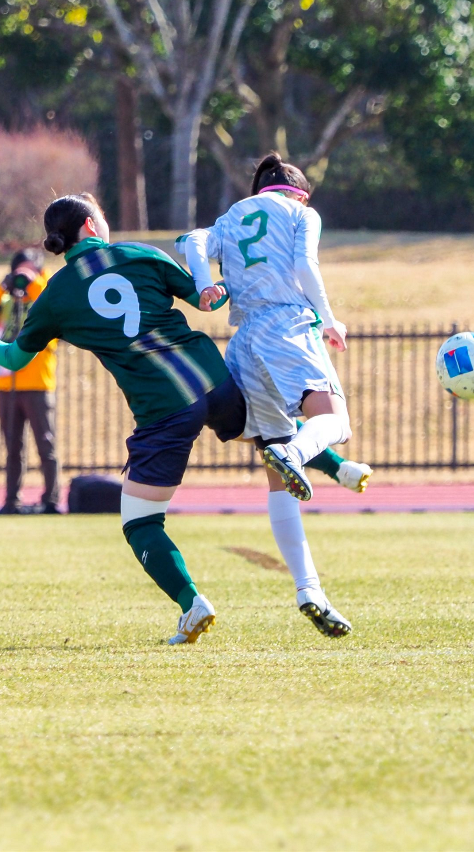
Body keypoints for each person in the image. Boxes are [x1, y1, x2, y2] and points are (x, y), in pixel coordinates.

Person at [0, 194, 243, 645]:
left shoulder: (56, 295)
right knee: (269, 434)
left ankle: (192, 603)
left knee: (141, 523)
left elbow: (13, 355)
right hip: (211, 379)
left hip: (161, 410)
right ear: (90, 226)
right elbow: (206, 302)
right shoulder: (141, 253)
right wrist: (218, 283)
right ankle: (326, 459)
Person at [179, 152, 356, 637]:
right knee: (335, 423)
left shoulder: (232, 214)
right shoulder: (303, 212)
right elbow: (305, 265)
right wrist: (328, 318)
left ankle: (310, 590)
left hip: (245, 339)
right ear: (299, 193)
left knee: (276, 477)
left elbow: (192, 240)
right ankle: (297, 454)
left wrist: (204, 283)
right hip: (287, 324)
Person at [0, 248, 60, 515]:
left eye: (29, 271)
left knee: (46, 444)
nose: (23, 278)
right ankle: (12, 500)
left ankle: (51, 500)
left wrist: (34, 283)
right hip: (7, 384)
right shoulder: (5, 299)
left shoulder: (46, 293)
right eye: (18, 271)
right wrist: (3, 287)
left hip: (38, 382)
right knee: (13, 447)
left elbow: (54, 307)